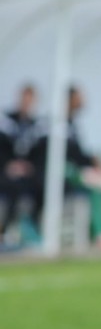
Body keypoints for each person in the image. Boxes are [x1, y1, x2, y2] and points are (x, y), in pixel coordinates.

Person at [25, 86, 101, 253]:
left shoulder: (71, 124)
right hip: (52, 171)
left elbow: (78, 154)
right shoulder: (51, 123)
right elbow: (48, 153)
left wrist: (93, 161)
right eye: (78, 98)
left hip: (70, 171)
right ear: (68, 100)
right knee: (98, 182)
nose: (82, 102)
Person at [0, 85, 44, 247]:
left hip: (27, 173)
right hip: (6, 171)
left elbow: (38, 153)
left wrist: (28, 166)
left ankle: (33, 225)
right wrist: (9, 165)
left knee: (42, 186)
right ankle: (5, 231)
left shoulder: (36, 125)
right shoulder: (6, 122)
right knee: (13, 189)